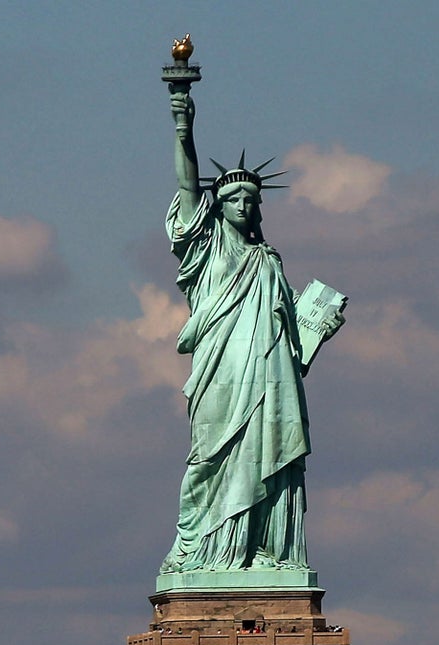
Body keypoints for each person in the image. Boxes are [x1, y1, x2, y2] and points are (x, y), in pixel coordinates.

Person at [159, 84, 343, 575]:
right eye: (233, 197)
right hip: (221, 373)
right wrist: (184, 128)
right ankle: (202, 552)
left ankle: (263, 550)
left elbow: (292, 346)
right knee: (209, 459)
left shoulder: (269, 261)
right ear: (216, 208)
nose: (242, 204)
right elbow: (186, 186)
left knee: (271, 454)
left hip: (272, 378)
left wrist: (319, 328)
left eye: (250, 198)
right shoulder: (209, 249)